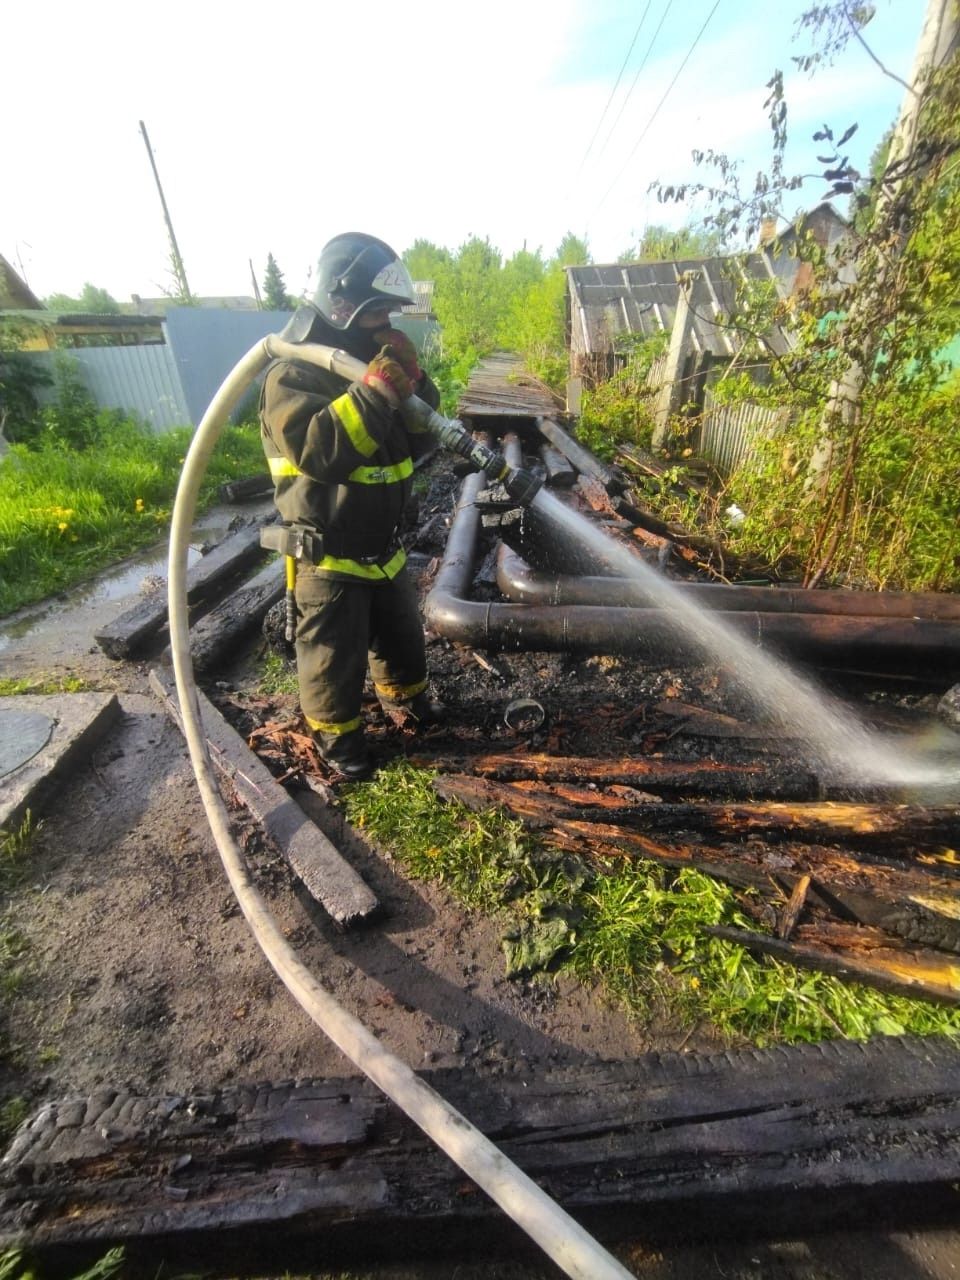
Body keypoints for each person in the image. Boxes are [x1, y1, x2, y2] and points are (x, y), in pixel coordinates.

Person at [260, 232, 442, 781]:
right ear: (341, 309)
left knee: (402, 641)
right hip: (330, 552)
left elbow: (422, 439)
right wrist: (375, 392)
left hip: (384, 549)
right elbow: (322, 450)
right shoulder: (293, 376)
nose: (387, 324)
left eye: (390, 312)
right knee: (331, 661)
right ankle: (338, 741)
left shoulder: (372, 367)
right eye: (376, 312)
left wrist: (417, 388)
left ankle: (405, 704)